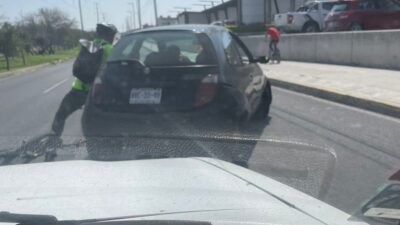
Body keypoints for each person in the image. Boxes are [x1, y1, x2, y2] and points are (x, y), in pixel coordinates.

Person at [49, 23, 118, 141]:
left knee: (61, 115)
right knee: (110, 117)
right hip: (98, 92)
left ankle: (53, 140)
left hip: (78, 89)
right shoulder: (111, 49)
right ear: (110, 36)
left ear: (98, 33)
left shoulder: (88, 46)